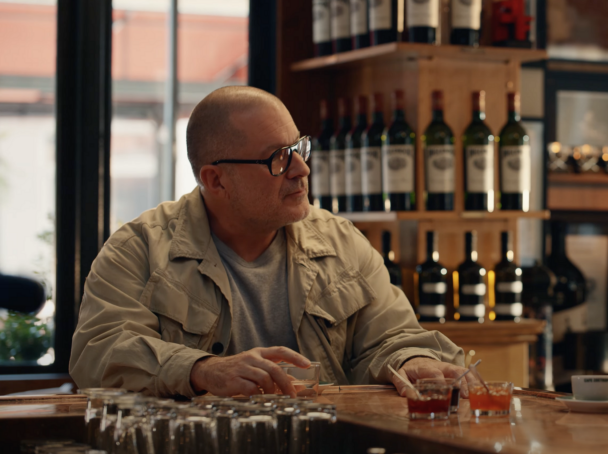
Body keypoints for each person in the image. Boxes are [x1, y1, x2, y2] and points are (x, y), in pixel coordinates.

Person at [71, 86, 465, 398]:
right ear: (215, 180)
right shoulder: (138, 249)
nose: (302, 169)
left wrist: (412, 360)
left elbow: (391, 336)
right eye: (279, 158)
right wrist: (201, 369)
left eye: (299, 148)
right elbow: (98, 353)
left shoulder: (341, 242)